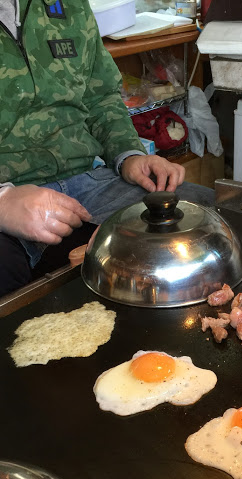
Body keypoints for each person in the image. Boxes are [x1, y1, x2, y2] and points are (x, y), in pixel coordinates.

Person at [0, 0, 215, 297]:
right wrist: (3, 200)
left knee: (214, 220)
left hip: (87, 183)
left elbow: (100, 98)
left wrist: (129, 154)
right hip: (8, 197)